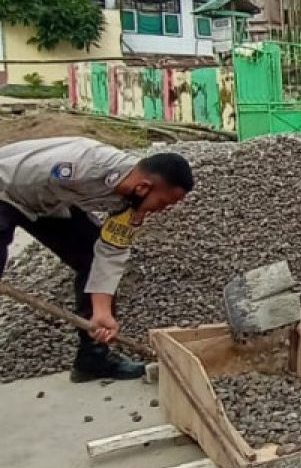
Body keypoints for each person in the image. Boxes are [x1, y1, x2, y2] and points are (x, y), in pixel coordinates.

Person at [0, 138, 193, 381]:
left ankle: (93, 359)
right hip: (5, 189)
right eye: (163, 203)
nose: (161, 210)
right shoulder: (80, 163)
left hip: (48, 205)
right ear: (143, 187)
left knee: (90, 254)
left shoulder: (131, 208)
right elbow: (14, 172)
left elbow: (110, 254)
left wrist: (102, 312)